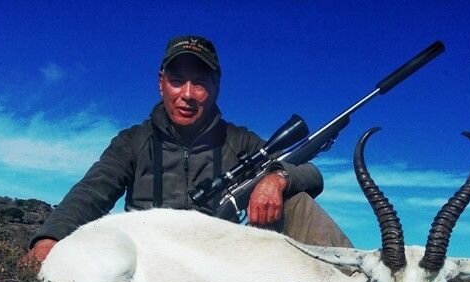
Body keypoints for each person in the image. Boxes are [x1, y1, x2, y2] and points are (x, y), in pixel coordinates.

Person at [25, 35, 351, 264]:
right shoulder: (132, 140)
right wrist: (49, 238)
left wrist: (277, 179)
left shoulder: (240, 141)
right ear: (161, 82)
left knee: (296, 199)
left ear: (216, 87)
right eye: (178, 80)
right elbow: (92, 192)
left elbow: (310, 174)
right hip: (147, 262)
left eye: (200, 83)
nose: (188, 94)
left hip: (217, 262)